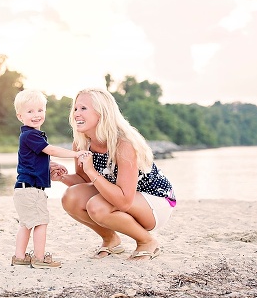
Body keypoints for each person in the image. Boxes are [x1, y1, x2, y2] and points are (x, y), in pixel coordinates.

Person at [57, 88, 176, 261]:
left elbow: (124, 201)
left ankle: (147, 241)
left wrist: (91, 170)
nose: (76, 113)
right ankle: (110, 240)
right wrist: (61, 176)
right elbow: (84, 181)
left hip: (155, 201)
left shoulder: (123, 144)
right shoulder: (81, 143)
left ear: (101, 112)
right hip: (123, 197)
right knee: (70, 197)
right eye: (75, 108)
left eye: (83, 108)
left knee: (97, 206)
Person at [10, 89, 87, 269]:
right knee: (40, 223)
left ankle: (19, 257)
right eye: (30, 111)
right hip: (31, 189)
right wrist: (76, 154)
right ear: (20, 116)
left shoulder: (29, 136)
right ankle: (39, 258)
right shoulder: (31, 135)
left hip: (23, 188)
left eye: (40, 110)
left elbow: (35, 159)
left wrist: (50, 164)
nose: (36, 115)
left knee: (26, 224)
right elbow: (50, 149)